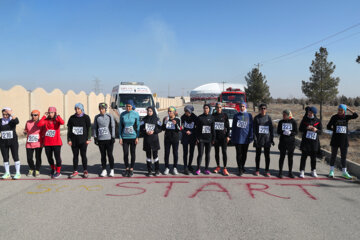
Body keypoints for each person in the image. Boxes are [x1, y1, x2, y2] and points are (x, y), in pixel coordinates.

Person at [327, 104, 358, 179]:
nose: (340, 111)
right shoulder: (334, 117)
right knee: (333, 155)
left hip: (344, 140)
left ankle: (344, 172)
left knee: (343, 157)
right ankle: (331, 171)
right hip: (335, 139)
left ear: (344, 111)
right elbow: (328, 126)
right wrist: (334, 130)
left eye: (341, 110)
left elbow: (356, 115)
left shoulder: (346, 117)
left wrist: (349, 108)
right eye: (339, 110)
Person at [37, 107, 65, 178]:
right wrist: (44, 116)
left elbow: (62, 122)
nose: (50, 114)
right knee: (49, 157)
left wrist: (58, 116)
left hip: (56, 142)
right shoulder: (46, 120)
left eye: (52, 113)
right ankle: (53, 169)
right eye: (49, 112)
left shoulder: (57, 119)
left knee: (57, 157)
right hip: (47, 142)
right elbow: (39, 124)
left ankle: (58, 171)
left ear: (55, 113)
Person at [67, 103, 92, 178]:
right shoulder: (72, 118)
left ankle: (85, 170)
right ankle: (75, 171)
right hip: (74, 141)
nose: (77, 110)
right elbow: (69, 130)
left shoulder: (86, 117)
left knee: (83, 155)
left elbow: (89, 128)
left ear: (82, 109)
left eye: (78, 109)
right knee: (75, 156)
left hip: (83, 141)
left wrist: (89, 138)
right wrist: (69, 139)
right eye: (76, 109)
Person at [299, 106, 322, 178]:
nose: (309, 114)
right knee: (303, 157)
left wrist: (316, 130)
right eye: (309, 112)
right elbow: (300, 129)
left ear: (314, 113)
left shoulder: (318, 121)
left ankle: (313, 170)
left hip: (314, 142)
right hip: (306, 142)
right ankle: (302, 171)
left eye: (311, 113)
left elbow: (321, 132)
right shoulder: (304, 119)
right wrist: (306, 128)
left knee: (313, 158)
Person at [231, 101, 253, 176]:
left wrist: (251, 136)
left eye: (243, 106)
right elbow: (234, 127)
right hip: (238, 138)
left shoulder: (249, 115)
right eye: (241, 106)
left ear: (245, 107)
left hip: (246, 138)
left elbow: (251, 127)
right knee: (238, 154)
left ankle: (242, 166)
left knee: (244, 154)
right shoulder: (236, 115)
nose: (242, 108)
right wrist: (232, 137)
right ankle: (239, 168)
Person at [93, 103, 116, 177]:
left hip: (109, 139)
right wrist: (95, 137)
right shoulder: (97, 117)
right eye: (100, 109)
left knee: (110, 154)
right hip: (101, 139)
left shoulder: (109, 116)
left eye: (102, 109)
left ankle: (112, 169)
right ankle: (104, 169)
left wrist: (113, 137)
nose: (101, 110)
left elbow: (113, 126)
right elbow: (95, 127)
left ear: (105, 109)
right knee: (103, 155)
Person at [119, 100, 140, 177]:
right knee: (125, 153)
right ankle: (126, 168)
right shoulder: (122, 114)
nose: (128, 108)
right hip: (125, 137)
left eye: (129, 106)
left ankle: (131, 169)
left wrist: (137, 137)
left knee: (132, 153)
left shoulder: (135, 114)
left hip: (133, 137)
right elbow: (120, 126)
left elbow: (138, 126)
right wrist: (120, 137)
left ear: (132, 106)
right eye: (126, 106)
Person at [253, 103, 274, 177]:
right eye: (261, 108)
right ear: (259, 109)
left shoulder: (269, 118)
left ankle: (267, 170)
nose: (263, 110)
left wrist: (272, 139)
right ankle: (257, 170)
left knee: (267, 156)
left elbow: (271, 129)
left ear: (266, 109)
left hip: (266, 139)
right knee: (258, 155)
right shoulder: (256, 118)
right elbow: (254, 130)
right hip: (259, 139)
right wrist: (255, 139)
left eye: (264, 108)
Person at [140, 106, 162, 176]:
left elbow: (160, 129)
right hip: (147, 140)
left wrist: (154, 131)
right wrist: (145, 132)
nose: (149, 112)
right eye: (148, 111)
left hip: (154, 140)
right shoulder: (144, 119)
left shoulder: (157, 119)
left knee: (155, 156)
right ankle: (149, 170)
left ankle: (157, 170)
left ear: (153, 111)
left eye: (150, 111)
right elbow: (140, 129)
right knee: (148, 156)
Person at [0, 107, 20, 180]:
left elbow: (17, 121)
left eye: (7, 114)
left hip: (13, 142)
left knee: (15, 156)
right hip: (3, 142)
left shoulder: (12, 120)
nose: (5, 116)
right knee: (5, 157)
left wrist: (11, 114)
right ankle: (7, 172)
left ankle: (18, 173)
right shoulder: (0, 121)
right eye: (3, 114)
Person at [195, 104, 215, 175]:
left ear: (209, 109)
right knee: (200, 154)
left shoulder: (212, 117)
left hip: (209, 139)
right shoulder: (200, 117)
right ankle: (198, 169)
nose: (206, 109)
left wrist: (213, 139)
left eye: (207, 108)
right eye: (204, 108)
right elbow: (196, 129)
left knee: (207, 154)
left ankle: (206, 169)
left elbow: (213, 129)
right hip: (201, 139)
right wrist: (197, 138)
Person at [277, 110, 297, 178]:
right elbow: (278, 131)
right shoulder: (281, 122)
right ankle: (280, 172)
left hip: (291, 142)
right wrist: (283, 132)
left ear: (289, 115)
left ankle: (290, 172)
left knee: (290, 158)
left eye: (285, 115)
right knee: (282, 157)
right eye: (283, 114)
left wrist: (290, 133)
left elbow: (296, 132)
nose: (283, 116)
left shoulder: (293, 121)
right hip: (283, 142)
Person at [24, 110, 45, 177]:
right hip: (29, 143)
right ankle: (31, 168)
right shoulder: (28, 122)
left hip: (38, 143)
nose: (33, 116)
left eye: (35, 115)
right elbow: (26, 130)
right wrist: (25, 132)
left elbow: (43, 133)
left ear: (38, 116)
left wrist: (43, 142)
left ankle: (37, 170)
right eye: (32, 115)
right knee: (29, 158)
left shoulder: (41, 123)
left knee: (38, 157)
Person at [212, 102, 230, 176]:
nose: (219, 109)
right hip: (216, 137)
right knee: (216, 153)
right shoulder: (213, 116)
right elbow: (211, 127)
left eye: (220, 107)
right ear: (215, 108)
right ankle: (218, 166)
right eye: (217, 107)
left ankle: (225, 168)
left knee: (224, 152)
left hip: (223, 137)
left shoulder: (225, 115)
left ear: (222, 108)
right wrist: (212, 138)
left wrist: (228, 136)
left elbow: (228, 127)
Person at [162, 106, 181, 175]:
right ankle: (167, 167)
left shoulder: (178, 119)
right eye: (168, 111)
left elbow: (179, 129)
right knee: (167, 153)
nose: (169, 112)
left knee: (175, 153)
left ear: (174, 112)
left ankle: (175, 167)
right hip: (167, 138)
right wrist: (165, 122)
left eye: (171, 111)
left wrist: (175, 124)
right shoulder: (165, 118)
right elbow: (163, 129)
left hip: (175, 139)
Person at [180, 105, 197, 175]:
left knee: (191, 152)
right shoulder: (182, 117)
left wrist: (192, 132)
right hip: (185, 137)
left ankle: (190, 165)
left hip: (192, 137)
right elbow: (181, 127)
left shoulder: (195, 117)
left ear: (190, 111)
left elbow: (197, 128)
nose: (185, 112)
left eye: (187, 111)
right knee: (185, 152)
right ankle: (185, 167)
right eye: (185, 111)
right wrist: (185, 131)